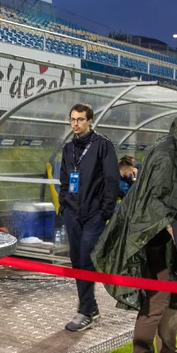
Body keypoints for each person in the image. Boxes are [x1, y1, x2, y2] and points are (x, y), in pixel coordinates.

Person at [91, 107, 177, 353]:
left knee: (172, 302)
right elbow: (157, 202)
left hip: (168, 244)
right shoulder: (167, 153)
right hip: (153, 242)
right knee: (155, 303)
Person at [59, 103, 120, 332]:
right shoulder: (68, 149)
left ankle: (85, 311)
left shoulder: (102, 145)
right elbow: (65, 180)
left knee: (86, 258)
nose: (76, 123)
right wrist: (63, 205)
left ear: (90, 121)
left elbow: (111, 180)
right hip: (72, 213)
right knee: (77, 260)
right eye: (72, 119)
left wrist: (105, 211)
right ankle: (90, 307)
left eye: (80, 119)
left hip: (94, 214)